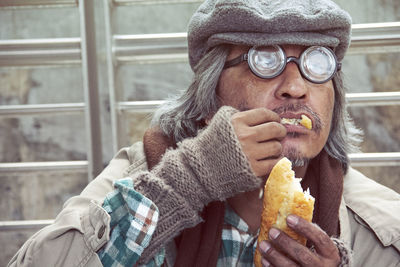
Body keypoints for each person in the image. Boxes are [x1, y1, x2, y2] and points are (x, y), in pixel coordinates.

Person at [8, 0, 400, 266]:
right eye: (265, 60)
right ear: (211, 92)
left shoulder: (380, 228)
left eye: (318, 63)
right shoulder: (141, 176)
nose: (296, 87)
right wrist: (194, 177)